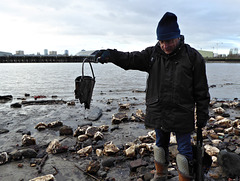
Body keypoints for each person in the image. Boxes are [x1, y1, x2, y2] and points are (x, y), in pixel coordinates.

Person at [95, 12, 210, 181]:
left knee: (184, 152)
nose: (165, 45)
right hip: (159, 111)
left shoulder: (193, 58)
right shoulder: (152, 55)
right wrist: (110, 55)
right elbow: (130, 59)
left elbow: (201, 91)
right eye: (162, 41)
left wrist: (202, 116)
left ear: (178, 37)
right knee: (159, 146)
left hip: (182, 113)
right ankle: (160, 174)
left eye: (169, 41)